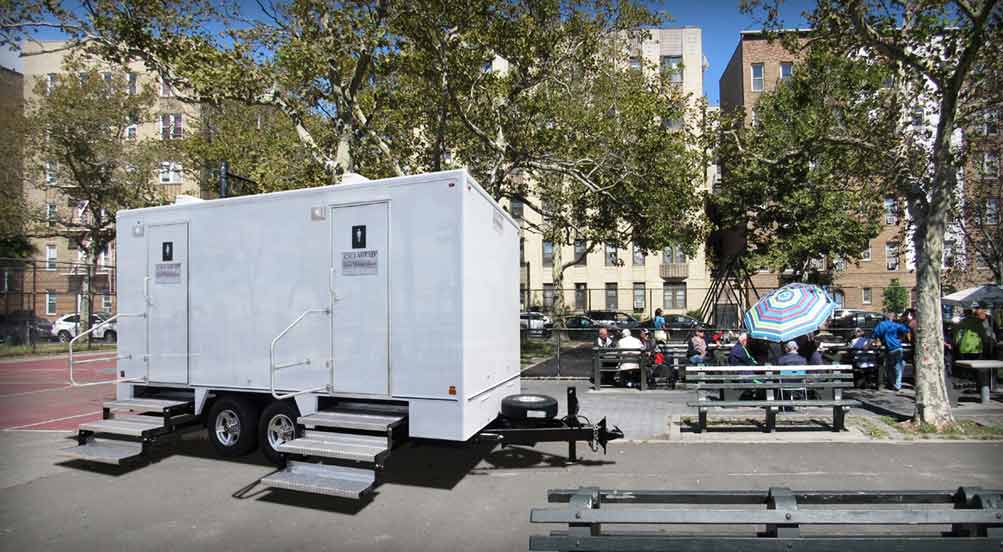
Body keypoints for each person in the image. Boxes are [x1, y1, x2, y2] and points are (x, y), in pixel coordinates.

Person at [872, 312, 912, 391]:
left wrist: (878, 341)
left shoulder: (882, 325)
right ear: (892, 318)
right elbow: (907, 330)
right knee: (898, 366)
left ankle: (893, 383)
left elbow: (875, 334)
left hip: (889, 349)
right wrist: (903, 338)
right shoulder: (896, 325)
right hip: (898, 347)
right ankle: (897, 384)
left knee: (889, 367)